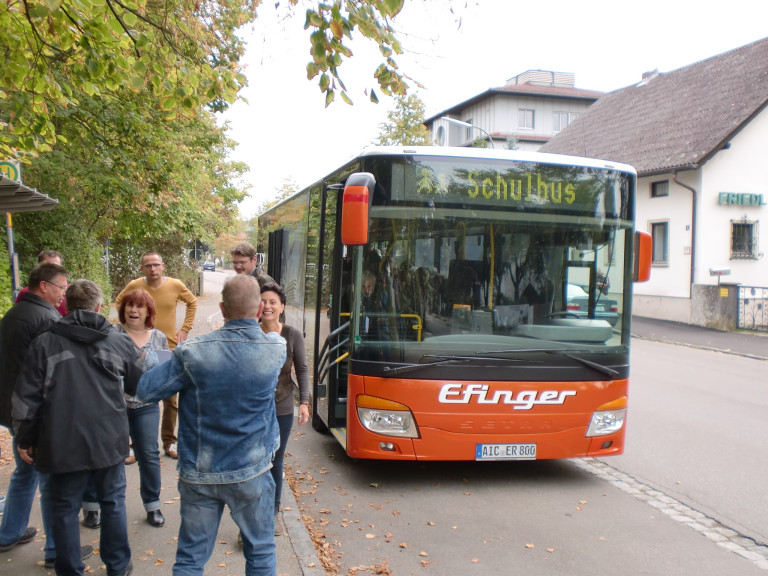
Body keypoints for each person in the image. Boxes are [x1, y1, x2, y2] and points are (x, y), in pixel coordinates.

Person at [137, 274, 286, 575]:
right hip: (252, 472)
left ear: (222, 308)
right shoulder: (275, 348)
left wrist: (159, 357)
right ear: (259, 310)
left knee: (191, 559)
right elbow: (275, 336)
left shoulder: (192, 353)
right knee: (260, 551)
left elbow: (146, 391)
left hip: (200, 473)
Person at [13, 279, 143, 576]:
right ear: (99, 307)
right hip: (108, 439)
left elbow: (26, 398)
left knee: (64, 507)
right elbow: (138, 384)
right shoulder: (118, 341)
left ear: (66, 306)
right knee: (113, 502)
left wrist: (26, 438)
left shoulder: (45, 342)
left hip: (60, 441)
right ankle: (118, 565)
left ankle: (69, 568)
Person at [0, 262, 92, 567]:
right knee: (52, 482)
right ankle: (57, 550)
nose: (64, 294)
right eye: (61, 287)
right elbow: (48, 375)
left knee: (24, 474)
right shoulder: (46, 319)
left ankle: (9, 532)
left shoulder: (12, 315)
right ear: (44, 286)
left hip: (13, 410)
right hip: (36, 415)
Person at [82, 289, 168, 529]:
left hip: (146, 406)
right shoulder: (110, 334)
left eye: (139, 306)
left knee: (149, 456)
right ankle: (91, 506)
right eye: (129, 305)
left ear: (148, 311)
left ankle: (153, 505)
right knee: (102, 456)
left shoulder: (159, 337)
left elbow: (165, 372)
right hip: (111, 407)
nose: (133, 310)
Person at [114, 251, 197, 464]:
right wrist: (129, 327)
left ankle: (169, 441)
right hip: (135, 347)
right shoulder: (135, 285)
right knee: (130, 394)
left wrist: (185, 329)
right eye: (148, 265)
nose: (152, 269)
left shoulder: (175, 285)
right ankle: (131, 444)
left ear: (163, 266)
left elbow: (192, 302)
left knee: (170, 395)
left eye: (156, 265)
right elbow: (119, 302)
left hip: (164, 346)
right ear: (142, 268)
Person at [259, 282, 309, 534]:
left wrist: (305, 402)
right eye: (263, 301)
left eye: (272, 302)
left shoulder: (291, 334)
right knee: (254, 460)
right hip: (254, 409)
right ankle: (251, 515)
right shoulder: (250, 332)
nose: (267, 306)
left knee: (276, 460)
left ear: (281, 307)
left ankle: (274, 511)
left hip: (282, 406)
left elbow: (301, 369)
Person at [15, 250, 68, 315]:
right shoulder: (26, 292)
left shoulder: (70, 292)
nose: (54, 270)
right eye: (49, 267)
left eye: (57, 267)